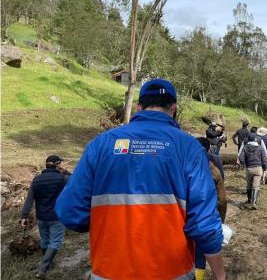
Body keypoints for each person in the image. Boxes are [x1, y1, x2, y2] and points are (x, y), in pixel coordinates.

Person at [55, 79, 225, 280]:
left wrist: (107, 223)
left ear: (138, 107)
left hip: (110, 271)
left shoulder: (101, 144)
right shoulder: (189, 147)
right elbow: (204, 222)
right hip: (172, 273)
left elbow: (69, 212)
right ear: (174, 107)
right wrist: (220, 275)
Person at [20, 155, 70, 279]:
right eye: (60, 164)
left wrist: (24, 216)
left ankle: (48, 263)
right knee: (56, 241)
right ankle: (43, 267)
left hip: (41, 217)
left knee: (45, 240)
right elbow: (77, 180)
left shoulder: (36, 180)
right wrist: (66, 172)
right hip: (56, 216)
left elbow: (29, 200)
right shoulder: (62, 178)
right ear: (57, 164)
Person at [195, 137, 228, 280]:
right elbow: (222, 199)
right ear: (208, 149)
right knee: (201, 252)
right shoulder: (213, 166)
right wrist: (221, 220)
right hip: (206, 216)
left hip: (184, 218)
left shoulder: (181, 163)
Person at [238, 132, 267, 209]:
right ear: (255, 139)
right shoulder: (260, 148)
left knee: (249, 185)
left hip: (249, 168)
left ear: (248, 139)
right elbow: (264, 159)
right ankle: (253, 203)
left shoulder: (245, 147)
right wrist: (264, 168)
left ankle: (249, 200)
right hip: (258, 168)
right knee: (256, 185)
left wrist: (244, 163)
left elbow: (241, 158)